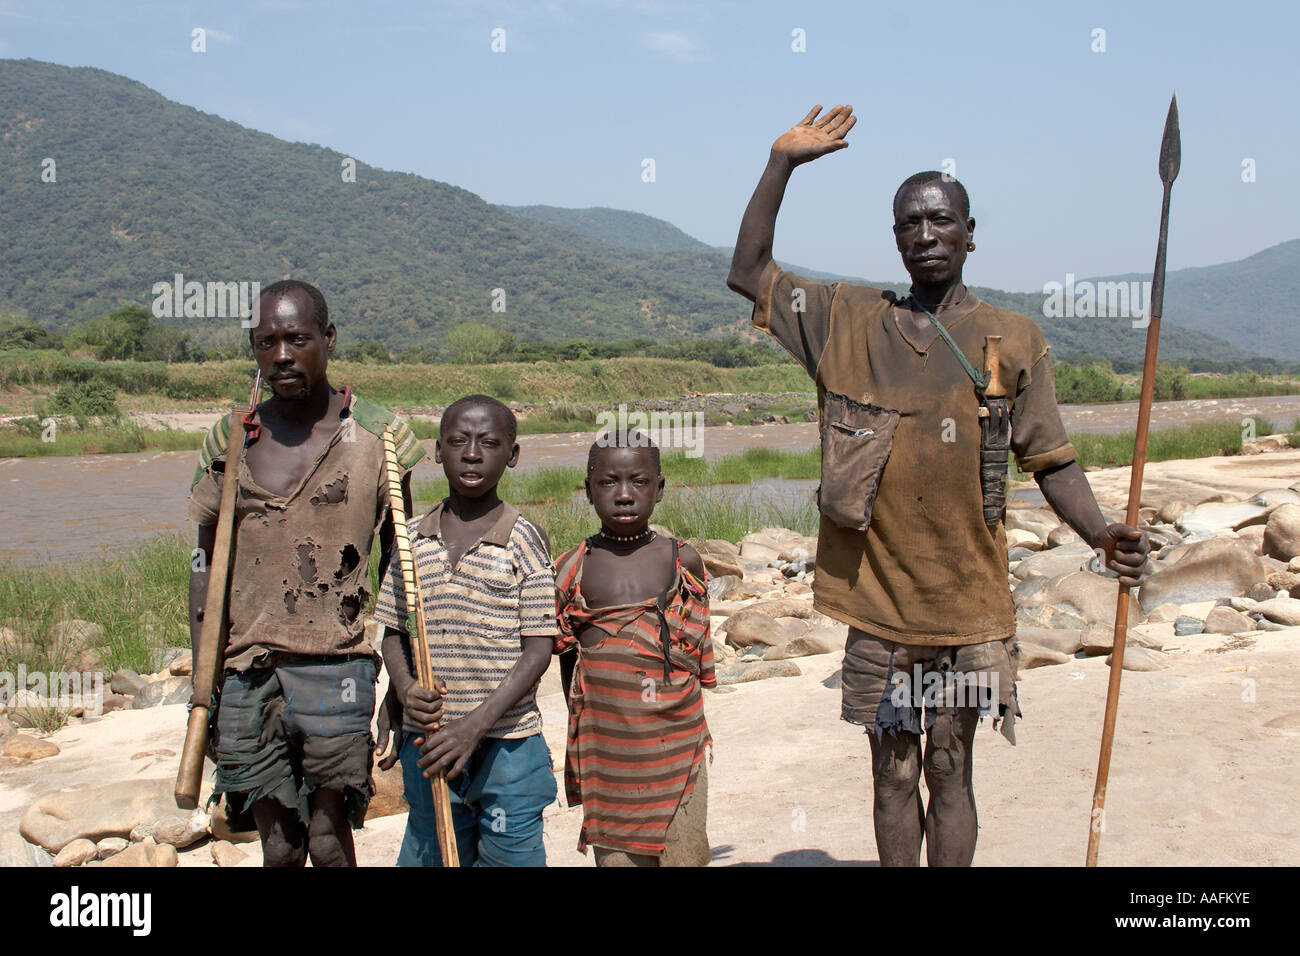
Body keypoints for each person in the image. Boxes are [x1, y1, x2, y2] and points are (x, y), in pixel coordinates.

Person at [726, 105, 1152, 867]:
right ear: (895, 238)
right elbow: (748, 271)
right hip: (881, 606)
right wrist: (780, 162)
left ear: (969, 232)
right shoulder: (847, 320)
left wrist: (1101, 534)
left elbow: (1050, 460)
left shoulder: (1012, 338)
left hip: (969, 606)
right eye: (909, 225)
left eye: (940, 221)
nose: (924, 235)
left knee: (952, 772)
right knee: (893, 776)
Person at [188, 279, 424, 867]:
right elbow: (203, 567)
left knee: (329, 841)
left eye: (297, 338)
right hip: (248, 669)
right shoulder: (230, 438)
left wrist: (401, 680)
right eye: (268, 341)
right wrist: (203, 691)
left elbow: (403, 572)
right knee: (279, 847)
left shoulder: (381, 439)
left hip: (338, 666)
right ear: (253, 347)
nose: (283, 355)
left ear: (329, 338)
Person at [372, 394, 558, 866]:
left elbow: (538, 652)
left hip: (507, 746)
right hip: (430, 742)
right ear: (437, 451)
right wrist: (405, 686)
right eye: (458, 441)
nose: (472, 453)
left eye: (488, 443)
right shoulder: (411, 539)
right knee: (433, 850)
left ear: (511, 456)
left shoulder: (523, 541)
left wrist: (475, 726)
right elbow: (394, 632)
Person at [553, 432, 716, 866]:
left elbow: (693, 649)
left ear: (659, 490)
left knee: (684, 852)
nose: (624, 495)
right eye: (608, 483)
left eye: (639, 482)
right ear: (588, 490)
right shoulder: (572, 569)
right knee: (618, 859)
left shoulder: (683, 561)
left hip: (677, 743)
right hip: (607, 752)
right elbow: (570, 662)